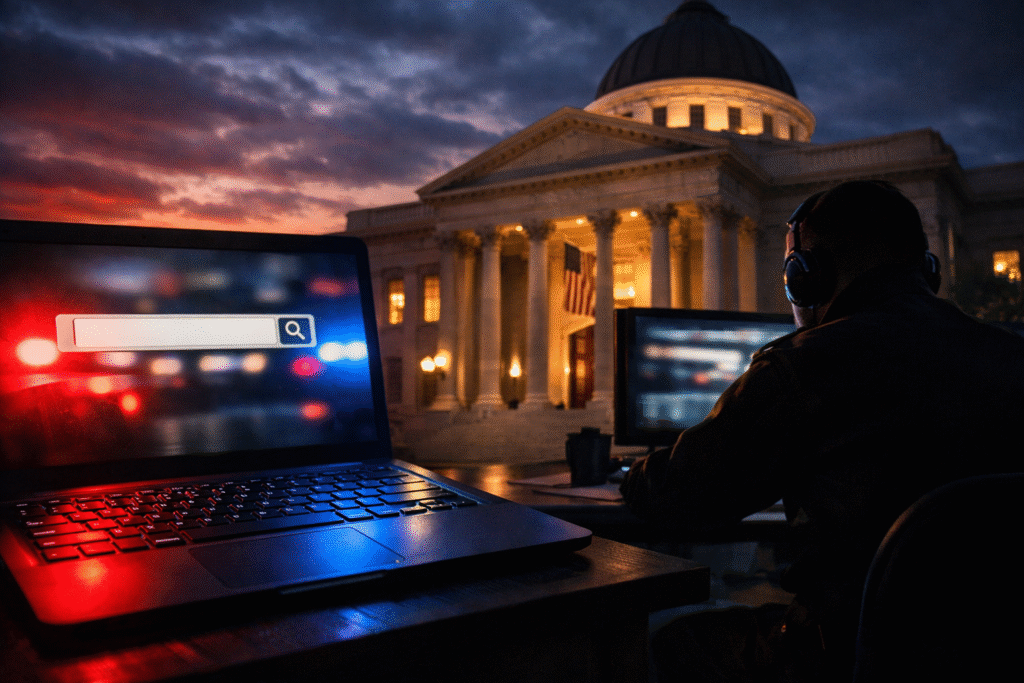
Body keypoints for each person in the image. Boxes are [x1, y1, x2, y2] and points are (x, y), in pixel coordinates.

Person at [620, 180, 1024, 682]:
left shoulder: (805, 366)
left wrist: (630, 472)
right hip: (996, 653)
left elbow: (678, 495)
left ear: (804, 277)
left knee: (674, 639)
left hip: (845, 654)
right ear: (927, 271)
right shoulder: (1011, 356)